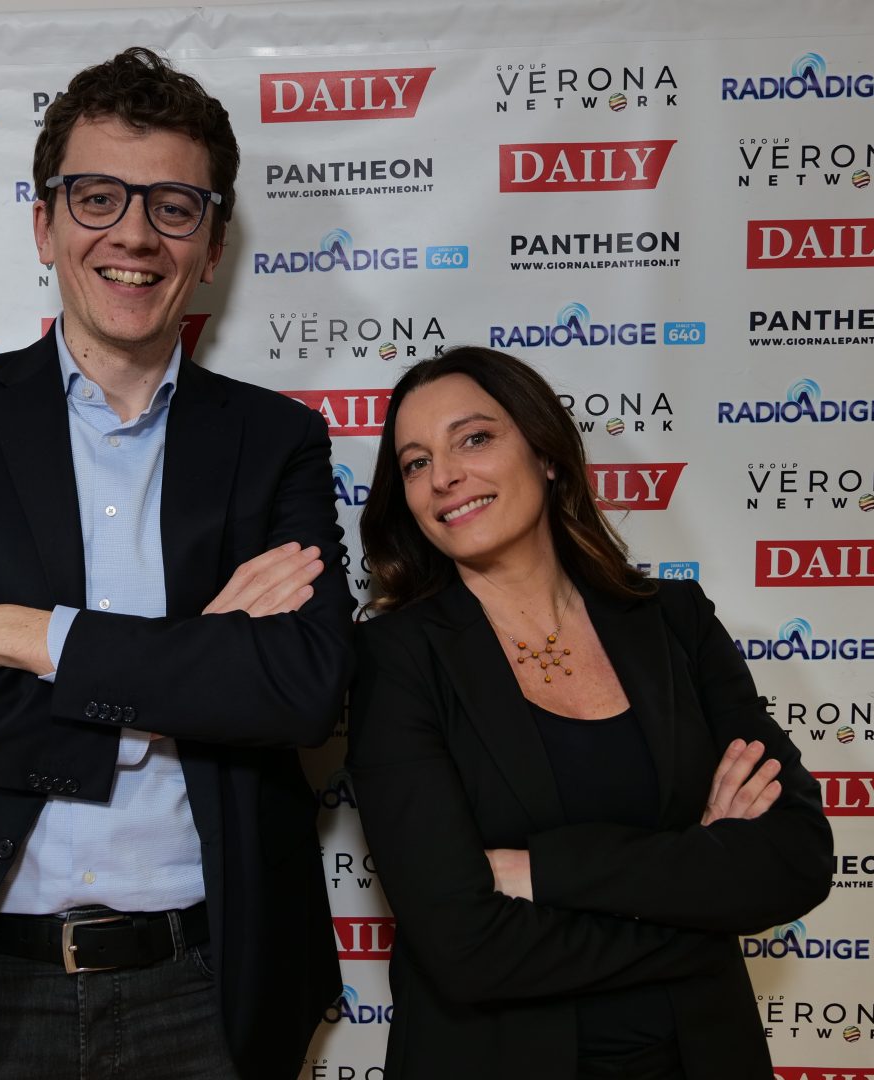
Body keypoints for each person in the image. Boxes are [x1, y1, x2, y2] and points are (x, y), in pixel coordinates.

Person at [0, 48, 353, 1080]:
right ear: (45, 223)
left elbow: (303, 691)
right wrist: (185, 670)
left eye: (174, 207)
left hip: (211, 978)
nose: (134, 234)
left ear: (213, 243)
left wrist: (19, 634)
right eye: (98, 197)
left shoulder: (277, 441)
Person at [346, 346, 833, 1080]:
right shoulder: (395, 659)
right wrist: (700, 897)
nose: (443, 476)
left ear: (546, 455)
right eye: (415, 463)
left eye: (473, 438)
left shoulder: (674, 621)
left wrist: (542, 871)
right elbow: (465, 947)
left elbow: (794, 859)